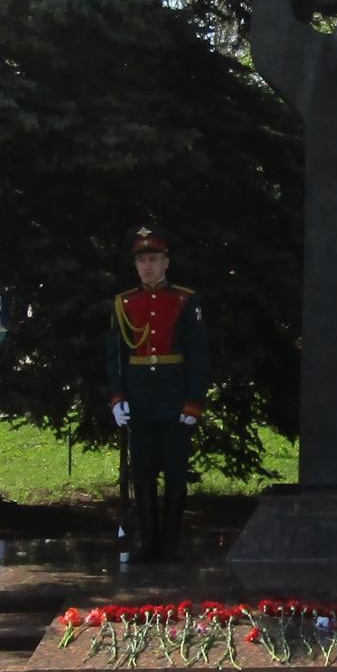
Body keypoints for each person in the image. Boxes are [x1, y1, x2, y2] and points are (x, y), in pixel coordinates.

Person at [107, 225, 208, 562]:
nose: (147, 266)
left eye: (153, 259)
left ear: (167, 262)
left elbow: (197, 354)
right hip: (140, 399)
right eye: (142, 261)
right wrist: (118, 398)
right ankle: (149, 541)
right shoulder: (124, 303)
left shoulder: (184, 300)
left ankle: (171, 543)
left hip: (174, 396)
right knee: (144, 471)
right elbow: (117, 356)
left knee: (176, 471)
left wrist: (194, 401)